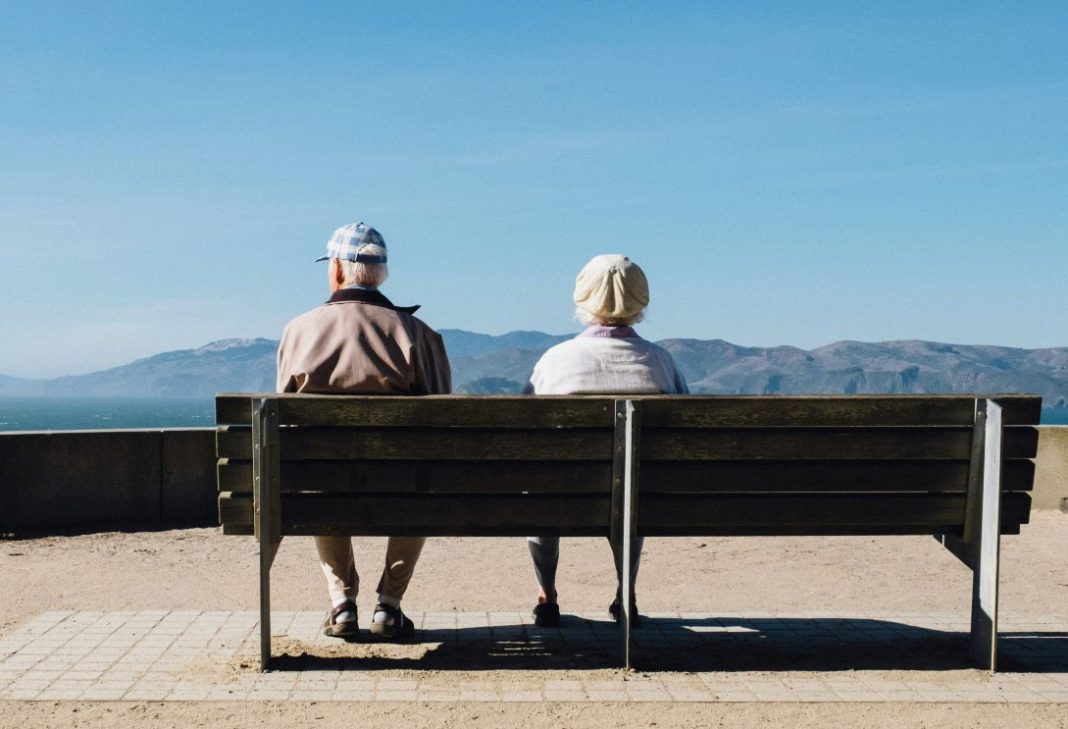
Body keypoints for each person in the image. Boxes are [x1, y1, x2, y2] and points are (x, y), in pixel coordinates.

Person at [276, 222, 451, 640]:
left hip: (325, 485)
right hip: (401, 485)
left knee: (316, 477)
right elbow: (444, 418)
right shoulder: (419, 336)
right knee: (419, 482)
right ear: (380, 274)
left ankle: (341, 604)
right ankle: (389, 606)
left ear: (336, 269)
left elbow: (282, 421)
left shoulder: (298, 331)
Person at [523, 254, 688, 628]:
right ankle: (624, 593)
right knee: (631, 489)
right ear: (641, 300)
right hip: (641, 497)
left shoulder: (555, 361)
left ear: (582, 299)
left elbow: (523, 434)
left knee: (540, 492)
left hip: (563, 495)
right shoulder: (660, 363)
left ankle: (547, 595)